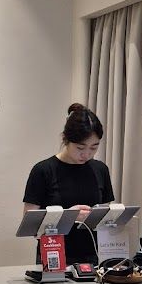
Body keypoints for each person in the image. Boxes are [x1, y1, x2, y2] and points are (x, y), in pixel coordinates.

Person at [22, 103, 115, 266]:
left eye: (94, 147)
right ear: (66, 139)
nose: (87, 154)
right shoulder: (43, 170)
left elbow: (105, 217)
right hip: (53, 257)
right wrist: (68, 216)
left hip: (94, 258)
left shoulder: (100, 170)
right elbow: (30, 226)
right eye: (80, 147)